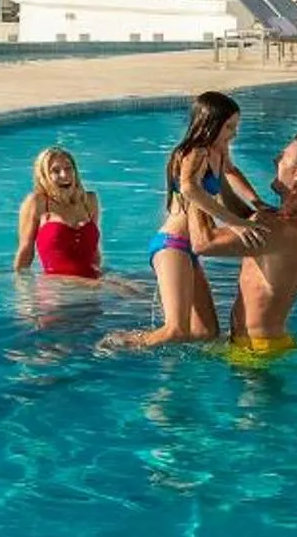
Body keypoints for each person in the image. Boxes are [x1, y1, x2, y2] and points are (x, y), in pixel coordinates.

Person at [104, 91, 265, 350]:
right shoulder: (194, 152)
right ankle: (116, 344)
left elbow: (230, 177)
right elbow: (189, 188)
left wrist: (257, 207)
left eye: (236, 126)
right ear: (210, 124)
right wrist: (235, 223)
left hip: (190, 249)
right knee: (176, 330)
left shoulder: (219, 151)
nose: (234, 133)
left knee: (207, 333)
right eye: (229, 127)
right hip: (172, 244)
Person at [226, 131, 297, 359]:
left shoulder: (281, 228)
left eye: (284, 157)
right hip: (269, 344)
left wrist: (187, 192)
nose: (275, 160)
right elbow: (247, 218)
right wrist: (219, 169)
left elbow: (202, 243)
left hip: (256, 351)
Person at [12, 145, 103, 278]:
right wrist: (22, 292)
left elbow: (95, 252)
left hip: (92, 280)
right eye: (55, 171)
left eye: (68, 168)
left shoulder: (89, 201)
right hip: (57, 285)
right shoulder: (37, 203)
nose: (64, 175)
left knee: (138, 289)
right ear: (44, 175)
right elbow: (25, 250)